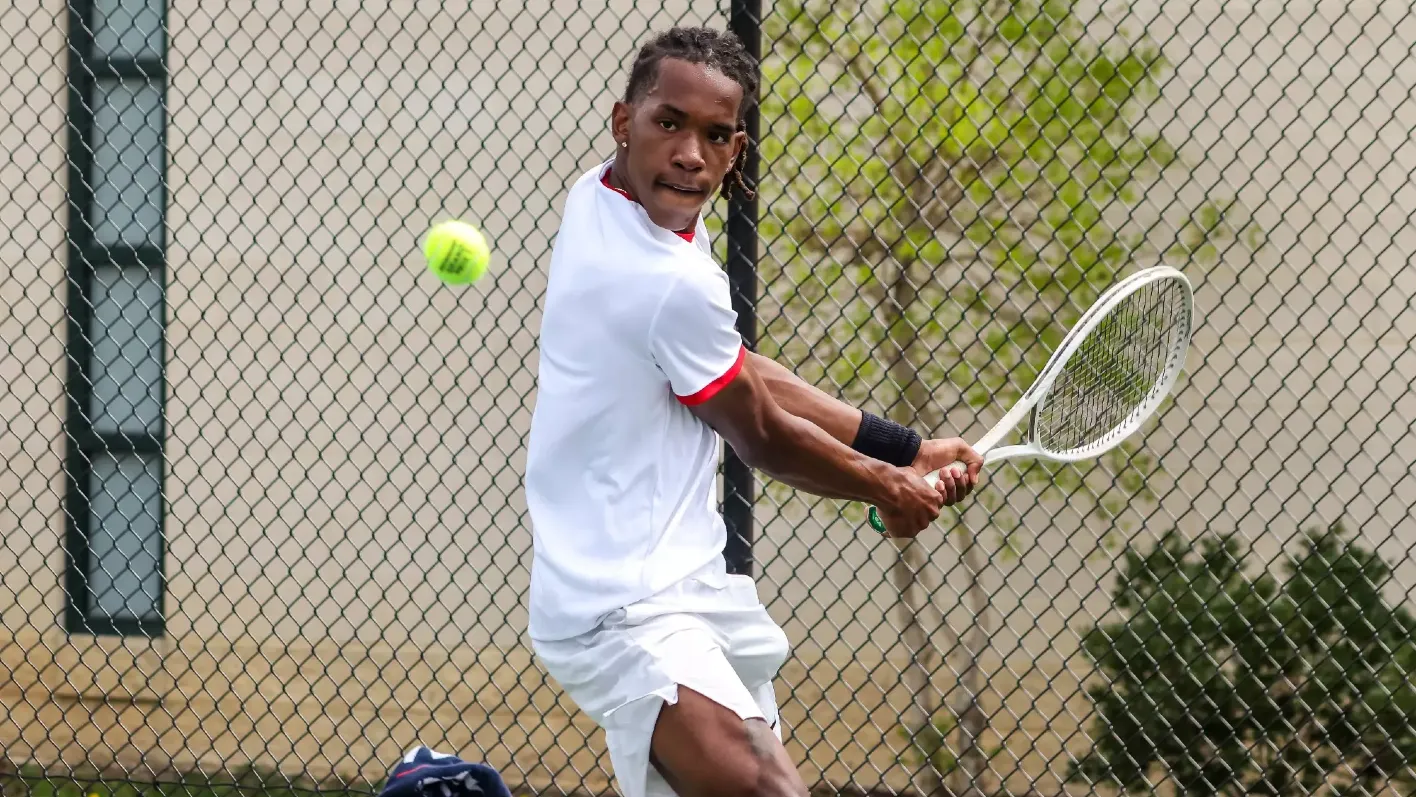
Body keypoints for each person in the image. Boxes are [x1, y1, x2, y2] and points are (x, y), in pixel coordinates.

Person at [523, 26, 983, 797]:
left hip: (689, 584)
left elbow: (736, 369)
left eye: (714, 135)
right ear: (624, 121)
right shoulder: (663, 278)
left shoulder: (602, 195)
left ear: (736, 150)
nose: (689, 154)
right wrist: (885, 486)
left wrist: (901, 448)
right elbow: (761, 434)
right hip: (622, 609)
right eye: (669, 122)